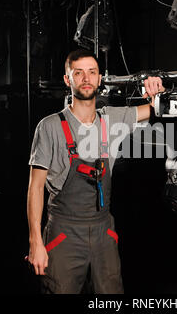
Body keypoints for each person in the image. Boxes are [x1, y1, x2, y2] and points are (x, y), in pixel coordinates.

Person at [27, 49, 164, 294]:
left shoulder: (111, 119)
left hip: (103, 231)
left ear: (100, 78)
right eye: (78, 73)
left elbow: (152, 110)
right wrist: (36, 241)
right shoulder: (49, 127)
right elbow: (35, 187)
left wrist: (154, 90)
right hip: (64, 232)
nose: (86, 78)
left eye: (92, 72)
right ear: (68, 80)